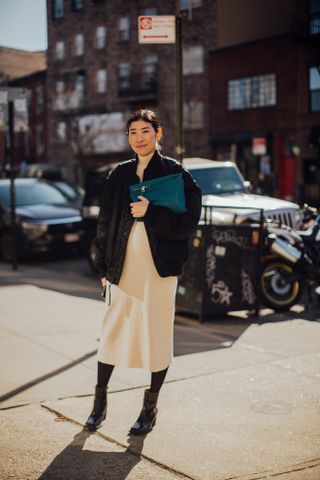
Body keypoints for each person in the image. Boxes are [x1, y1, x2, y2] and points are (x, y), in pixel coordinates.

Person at [85, 109, 201, 435]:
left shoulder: (176, 173)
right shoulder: (119, 174)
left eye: (146, 130)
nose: (139, 137)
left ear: (158, 133)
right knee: (111, 332)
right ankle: (99, 403)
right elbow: (105, 222)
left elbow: (188, 222)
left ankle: (149, 409)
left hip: (159, 270)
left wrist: (152, 213)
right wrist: (103, 267)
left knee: (157, 334)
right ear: (128, 137)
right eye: (133, 131)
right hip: (122, 268)